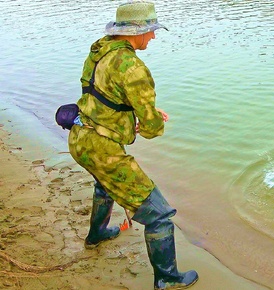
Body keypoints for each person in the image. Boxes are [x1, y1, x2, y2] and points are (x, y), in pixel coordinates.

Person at [67, 1, 199, 289]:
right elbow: (151, 126)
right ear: (136, 32)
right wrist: (150, 122)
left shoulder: (100, 49)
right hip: (103, 148)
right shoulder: (133, 66)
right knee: (160, 215)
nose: (152, 37)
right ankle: (167, 279)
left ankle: (97, 234)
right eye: (150, 32)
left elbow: (102, 93)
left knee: (105, 184)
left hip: (80, 138)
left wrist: (134, 115)